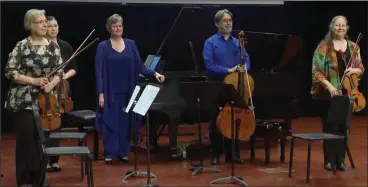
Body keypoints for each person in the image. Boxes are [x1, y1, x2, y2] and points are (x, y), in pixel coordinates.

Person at [94, 14, 165, 164]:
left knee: (126, 122)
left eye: (120, 25)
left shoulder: (131, 44)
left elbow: (140, 65)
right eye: (115, 26)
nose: (118, 28)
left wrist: (155, 73)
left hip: (129, 89)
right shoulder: (103, 47)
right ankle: (110, 153)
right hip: (110, 90)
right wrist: (101, 93)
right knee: (111, 122)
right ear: (109, 28)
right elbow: (99, 71)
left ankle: (123, 152)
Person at [4, 9, 63, 186]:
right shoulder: (22, 46)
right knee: (26, 142)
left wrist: (52, 83)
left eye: (45, 21)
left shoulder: (53, 46)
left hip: (47, 100)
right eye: (40, 21)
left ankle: (39, 179)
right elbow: (10, 72)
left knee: (42, 142)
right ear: (30, 25)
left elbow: (59, 71)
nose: (45, 24)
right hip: (24, 100)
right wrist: (34, 81)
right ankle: (24, 180)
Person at [311, 15, 364, 171]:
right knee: (330, 127)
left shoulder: (354, 46)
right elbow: (316, 72)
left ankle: (340, 160)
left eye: (343, 25)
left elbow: (360, 68)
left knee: (344, 128)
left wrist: (355, 69)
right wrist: (330, 87)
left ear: (346, 28)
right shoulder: (323, 47)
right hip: (329, 94)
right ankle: (329, 160)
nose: (340, 28)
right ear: (332, 27)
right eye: (337, 25)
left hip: (348, 93)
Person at [202, 9, 251, 165]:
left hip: (235, 85)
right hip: (216, 84)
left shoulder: (238, 43)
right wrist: (228, 70)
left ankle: (233, 154)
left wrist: (245, 68)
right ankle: (216, 154)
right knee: (215, 120)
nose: (228, 23)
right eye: (225, 20)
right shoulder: (210, 42)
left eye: (230, 20)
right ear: (217, 23)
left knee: (234, 118)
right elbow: (209, 65)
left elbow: (248, 61)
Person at [44, 16, 78, 172]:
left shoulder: (65, 46)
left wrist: (63, 76)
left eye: (55, 25)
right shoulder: (41, 46)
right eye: (49, 26)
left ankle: (54, 160)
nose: (53, 28)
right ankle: (43, 159)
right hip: (44, 90)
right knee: (44, 126)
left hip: (61, 91)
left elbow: (73, 68)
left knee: (57, 125)